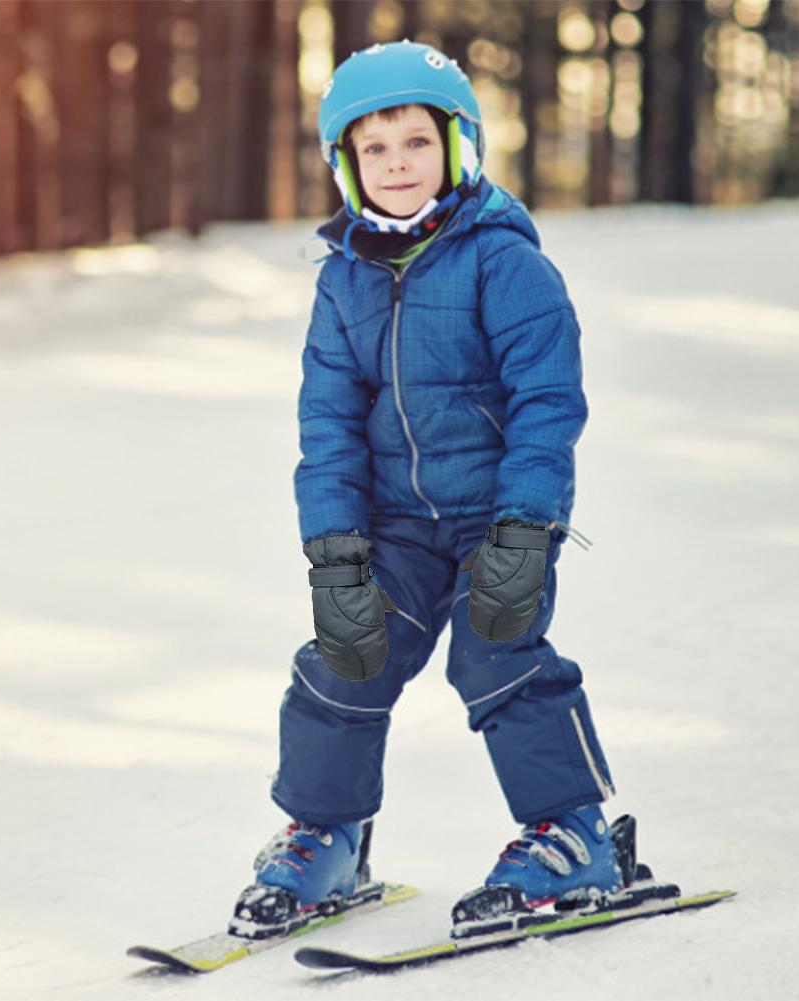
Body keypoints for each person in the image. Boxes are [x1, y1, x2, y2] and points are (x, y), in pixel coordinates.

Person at [229, 40, 623, 939]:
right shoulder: (344, 279)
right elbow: (325, 423)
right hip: (396, 528)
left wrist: (527, 527)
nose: (396, 165)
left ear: (458, 148)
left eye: (415, 142)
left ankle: (572, 832)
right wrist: (334, 551)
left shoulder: (502, 260)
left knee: (498, 654)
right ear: (345, 163)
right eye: (374, 149)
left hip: (496, 519)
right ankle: (327, 835)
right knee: (343, 661)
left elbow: (546, 401)